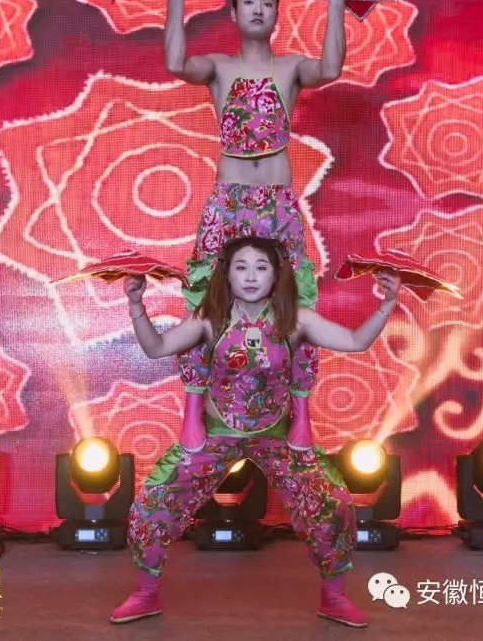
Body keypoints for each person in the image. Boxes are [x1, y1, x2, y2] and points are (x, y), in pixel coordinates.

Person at [109, 236, 401, 628]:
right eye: (241, 267)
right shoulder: (210, 317)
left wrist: (387, 303)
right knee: (153, 502)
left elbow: (355, 341)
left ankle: (334, 597)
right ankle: (145, 594)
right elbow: (157, 348)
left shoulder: (294, 319)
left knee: (334, 505)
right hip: (216, 434)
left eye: (261, 267)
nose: (250, 276)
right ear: (227, 274)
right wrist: (136, 305)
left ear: (275, 275)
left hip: (277, 435)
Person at [163, 0, 352, 457]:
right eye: (248, 1)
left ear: (276, 15)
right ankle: (193, 406)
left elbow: (331, 68)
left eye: (268, 2)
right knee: (202, 295)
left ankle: (301, 411)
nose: (258, 8)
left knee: (298, 299)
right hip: (228, 199)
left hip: (277, 202)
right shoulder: (219, 68)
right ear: (233, 12)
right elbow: (175, 62)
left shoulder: (289, 68)